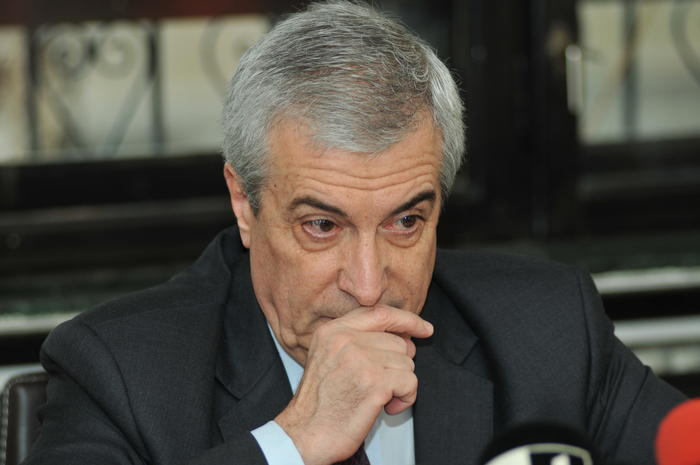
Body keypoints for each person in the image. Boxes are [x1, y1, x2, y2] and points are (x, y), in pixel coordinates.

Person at [24, 1, 686, 465]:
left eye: (406, 221)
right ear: (244, 203)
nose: (369, 286)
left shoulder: (547, 331)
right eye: (322, 225)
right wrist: (293, 441)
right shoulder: (123, 372)